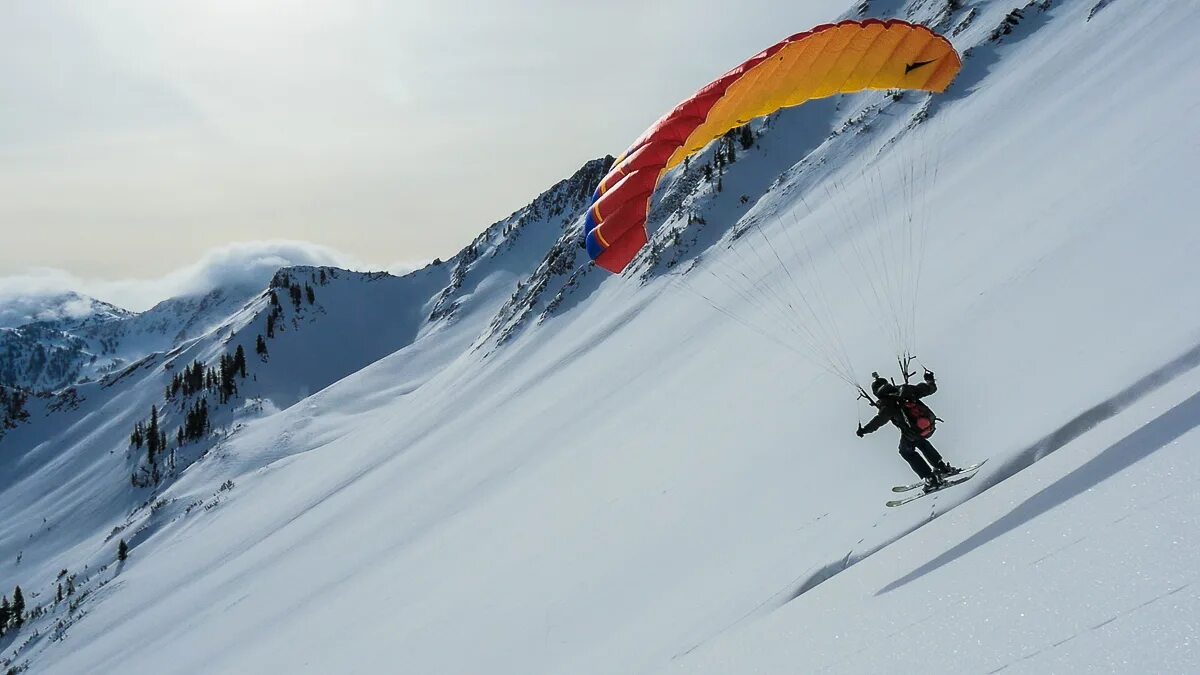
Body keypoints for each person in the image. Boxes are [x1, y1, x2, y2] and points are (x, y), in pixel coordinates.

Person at [856, 369, 960, 490]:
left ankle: (931, 479)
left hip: (912, 432)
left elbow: (878, 421)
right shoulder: (905, 390)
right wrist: (930, 380)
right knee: (921, 442)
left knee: (905, 451)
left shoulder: (887, 403)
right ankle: (942, 468)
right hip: (928, 425)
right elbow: (929, 389)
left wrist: (864, 430)